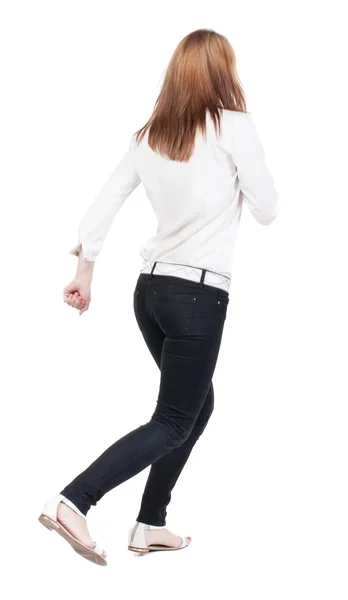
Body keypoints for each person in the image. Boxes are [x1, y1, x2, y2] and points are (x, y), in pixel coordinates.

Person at [39, 28, 279, 566]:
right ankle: (72, 502)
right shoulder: (233, 127)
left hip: (149, 293)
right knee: (174, 419)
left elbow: (104, 203)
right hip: (197, 297)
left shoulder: (151, 134)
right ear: (224, 71)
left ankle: (150, 523)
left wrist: (85, 272)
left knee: (196, 407)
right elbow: (267, 208)